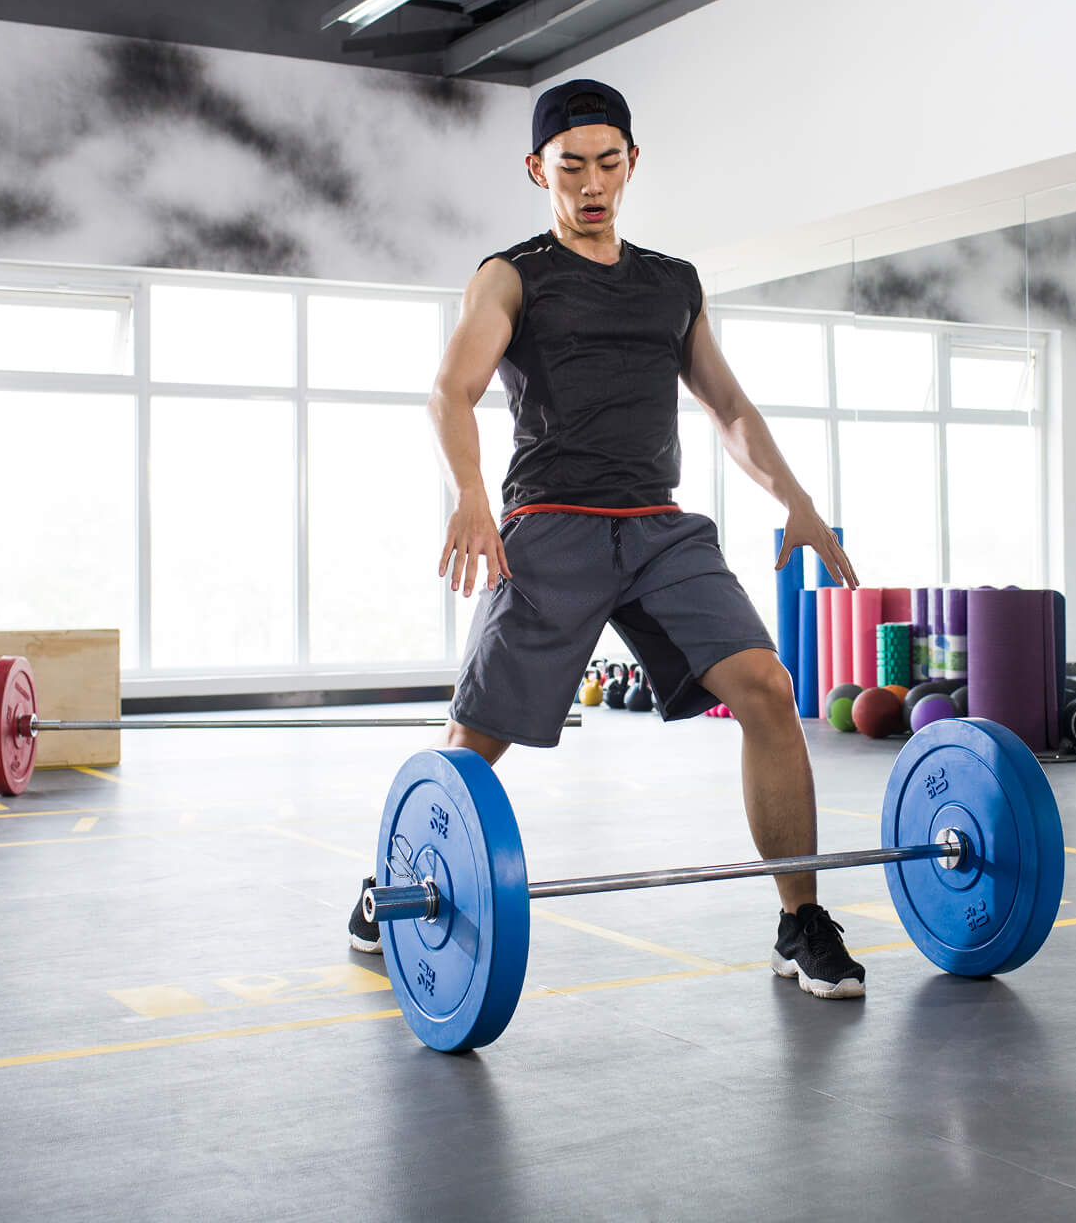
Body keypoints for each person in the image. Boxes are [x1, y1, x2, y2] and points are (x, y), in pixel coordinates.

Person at [348, 78, 870, 998]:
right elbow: (450, 390)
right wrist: (471, 494)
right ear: (537, 170)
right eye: (571, 168)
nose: (591, 185)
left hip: (660, 528)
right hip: (552, 523)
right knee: (479, 736)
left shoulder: (672, 283)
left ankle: (800, 920)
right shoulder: (512, 275)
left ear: (632, 164)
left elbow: (728, 405)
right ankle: (396, 879)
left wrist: (794, 496)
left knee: (767, 687)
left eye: (608, 164)